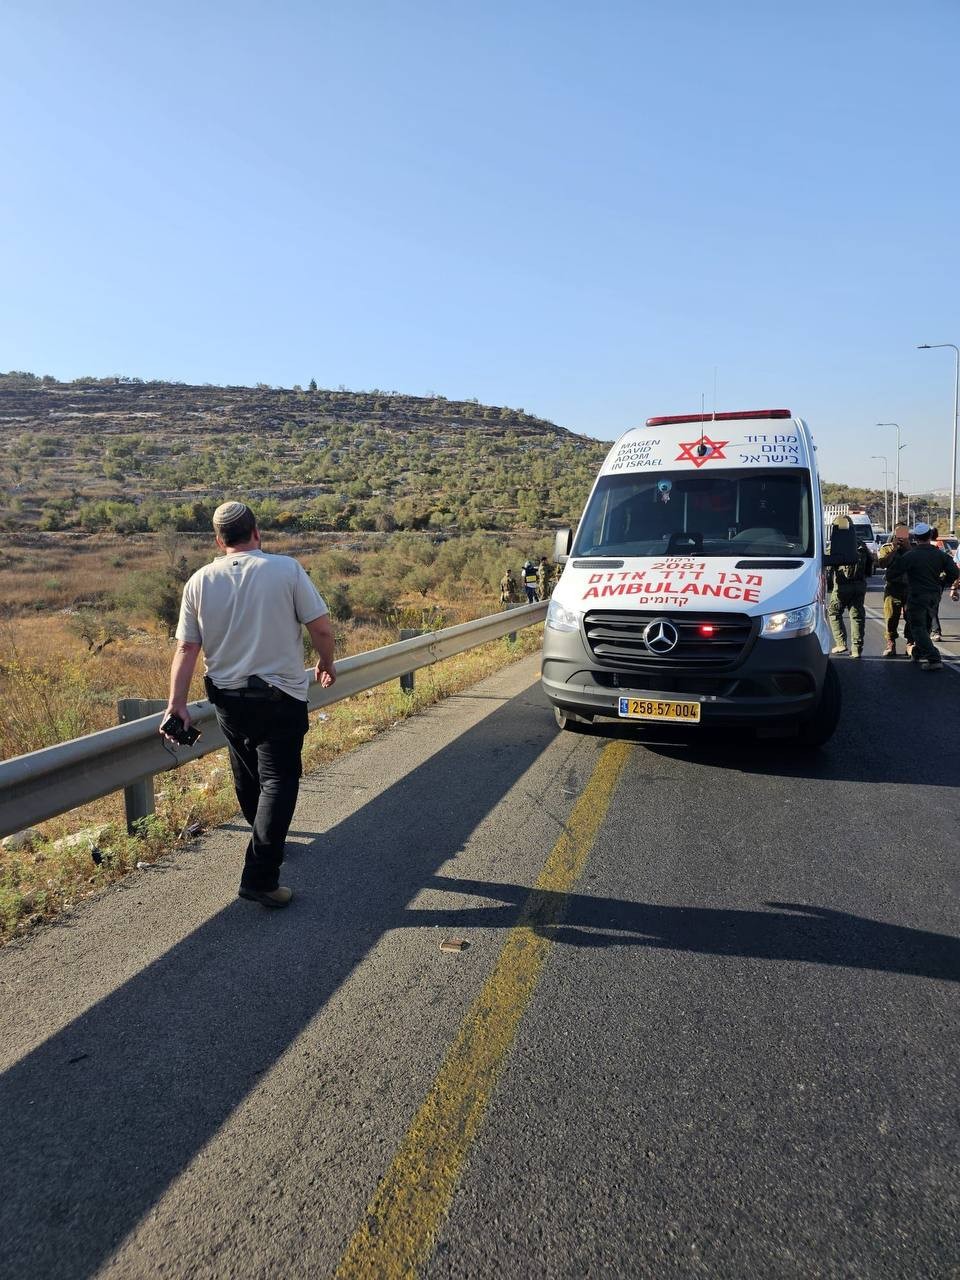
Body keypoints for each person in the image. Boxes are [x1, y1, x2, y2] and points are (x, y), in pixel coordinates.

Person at [162, 501, 336, 907]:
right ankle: (260, 875)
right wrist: (326, 662)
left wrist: (176, 704)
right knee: (278, 780)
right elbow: (321, 628)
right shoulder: (286, 569)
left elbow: (187, 647)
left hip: (227, 699)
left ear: (219, 540)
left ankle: (266, 840)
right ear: (256, 532)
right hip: (280, 696)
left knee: (247, 773)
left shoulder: (199, 581)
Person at [885, 521, 959, 671]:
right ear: (930, 536)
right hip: (934, 596)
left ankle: (933, 658)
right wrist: (942, 582)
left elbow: (892, 573)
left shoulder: (911, 555)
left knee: (917, 627)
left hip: (917, 596)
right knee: (925, 625)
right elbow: (954, 573)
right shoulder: (940, 554)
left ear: (916, 537)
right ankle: (918, 652)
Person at [827, 521, 871, 658]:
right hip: (859, 586)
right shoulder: (861, 544)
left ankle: (841, 643)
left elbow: (828, 565)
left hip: (842, 585)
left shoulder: (836, 545)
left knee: (834, 612)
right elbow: (870, 567)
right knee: (857, 616)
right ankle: (857, 648)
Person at [877, 524, 912, 657]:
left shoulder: (913, 548)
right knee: (891, 617)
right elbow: (882, 564)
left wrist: (908, 547)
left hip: (909, 587)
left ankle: (910, 643)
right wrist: (894, 549)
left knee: (911, 616)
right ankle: (891, 644)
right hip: (893, 588)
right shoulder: (887, 548)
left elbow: (916, 561)